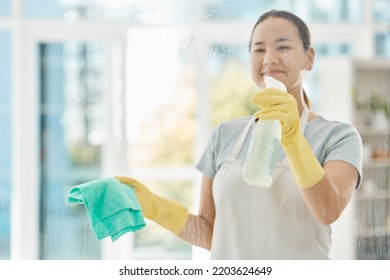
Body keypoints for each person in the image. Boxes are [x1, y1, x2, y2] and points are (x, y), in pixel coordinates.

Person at [116, 9, 362, 259]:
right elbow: (210, 231)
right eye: (258, 50)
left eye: (283, 47)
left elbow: (328, 210)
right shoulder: (224, 135)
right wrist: (153, 206)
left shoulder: (338, 137)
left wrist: (293, 138)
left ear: (309, 58)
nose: (269, 59)